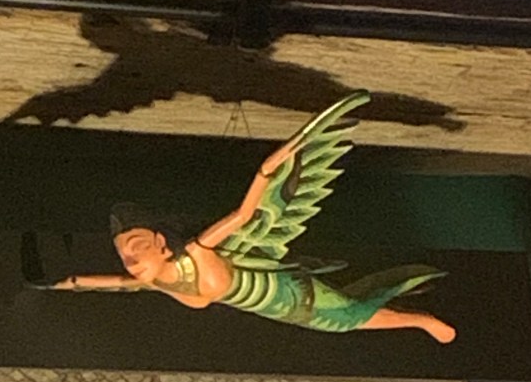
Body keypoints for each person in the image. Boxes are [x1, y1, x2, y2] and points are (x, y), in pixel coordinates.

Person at [52, 93, 456, 343]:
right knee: (339, 324)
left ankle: (421, 320)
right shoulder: (157, 281)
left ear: (160, 242)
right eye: (125, 255)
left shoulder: (198, 251)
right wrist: (67, 283)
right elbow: (117, 284)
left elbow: (245, 214)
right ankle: (417, 319)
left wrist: (267, 170)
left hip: (288, 290)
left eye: (136, 248)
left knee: (346, 313)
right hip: (274, 308)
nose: (130, 261)